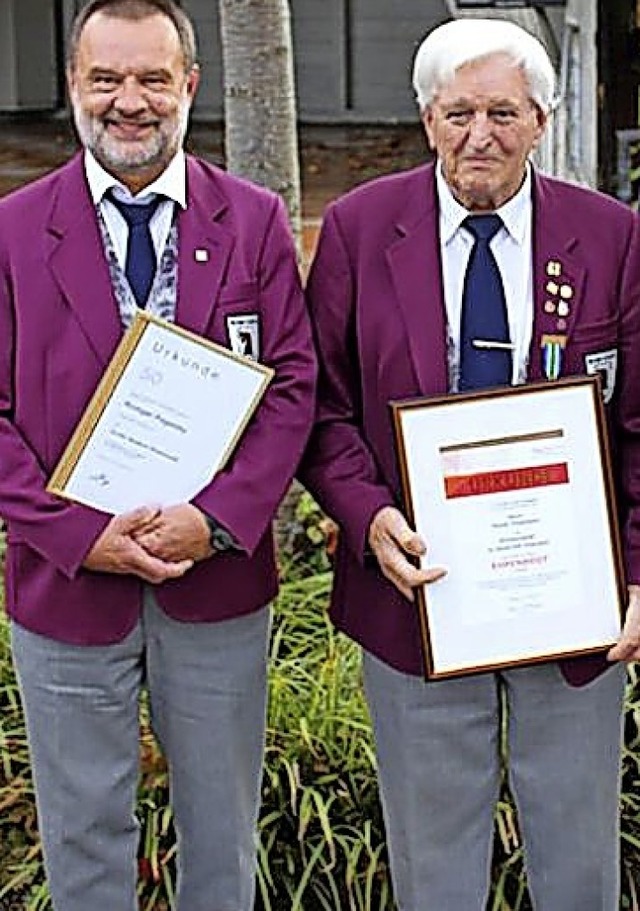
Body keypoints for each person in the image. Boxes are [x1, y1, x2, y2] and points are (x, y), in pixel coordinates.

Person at [300, 16, 640, 910]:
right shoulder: (358, 231)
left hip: (571, 616)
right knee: (435, 872)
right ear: (426, 119)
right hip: (416, 598)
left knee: (578, 870)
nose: (478, 136)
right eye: (457, 114)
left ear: (541, 119)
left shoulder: (612, 238)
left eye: (502, 112)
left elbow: (639, 425)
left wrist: (638, 572)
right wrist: (367, 513)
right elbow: (321, 407)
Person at [0, 1, 316, 909]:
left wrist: (215, 522)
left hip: (213, 580)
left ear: (190, 85)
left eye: (149, 78)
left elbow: (291, 386)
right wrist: (80, 534)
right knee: (84, 832)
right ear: (73, 87)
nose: (128, 102)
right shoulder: (15, 231)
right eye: (105, 79)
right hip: (67, 586)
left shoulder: (253, 220)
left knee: (222, 835)